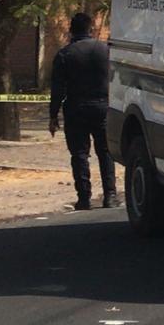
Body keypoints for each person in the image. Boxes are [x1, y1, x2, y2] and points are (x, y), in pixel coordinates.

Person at [49, 12, 118, 210]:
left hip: (76, 108)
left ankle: (84, 197)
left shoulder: (65, 54)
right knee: (105, 152)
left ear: (71, 30)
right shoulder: (105, 51)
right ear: (91, 29)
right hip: (103, 107)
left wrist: (53, 115)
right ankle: (110, 196)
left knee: (79, 154)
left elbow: (57, 89)